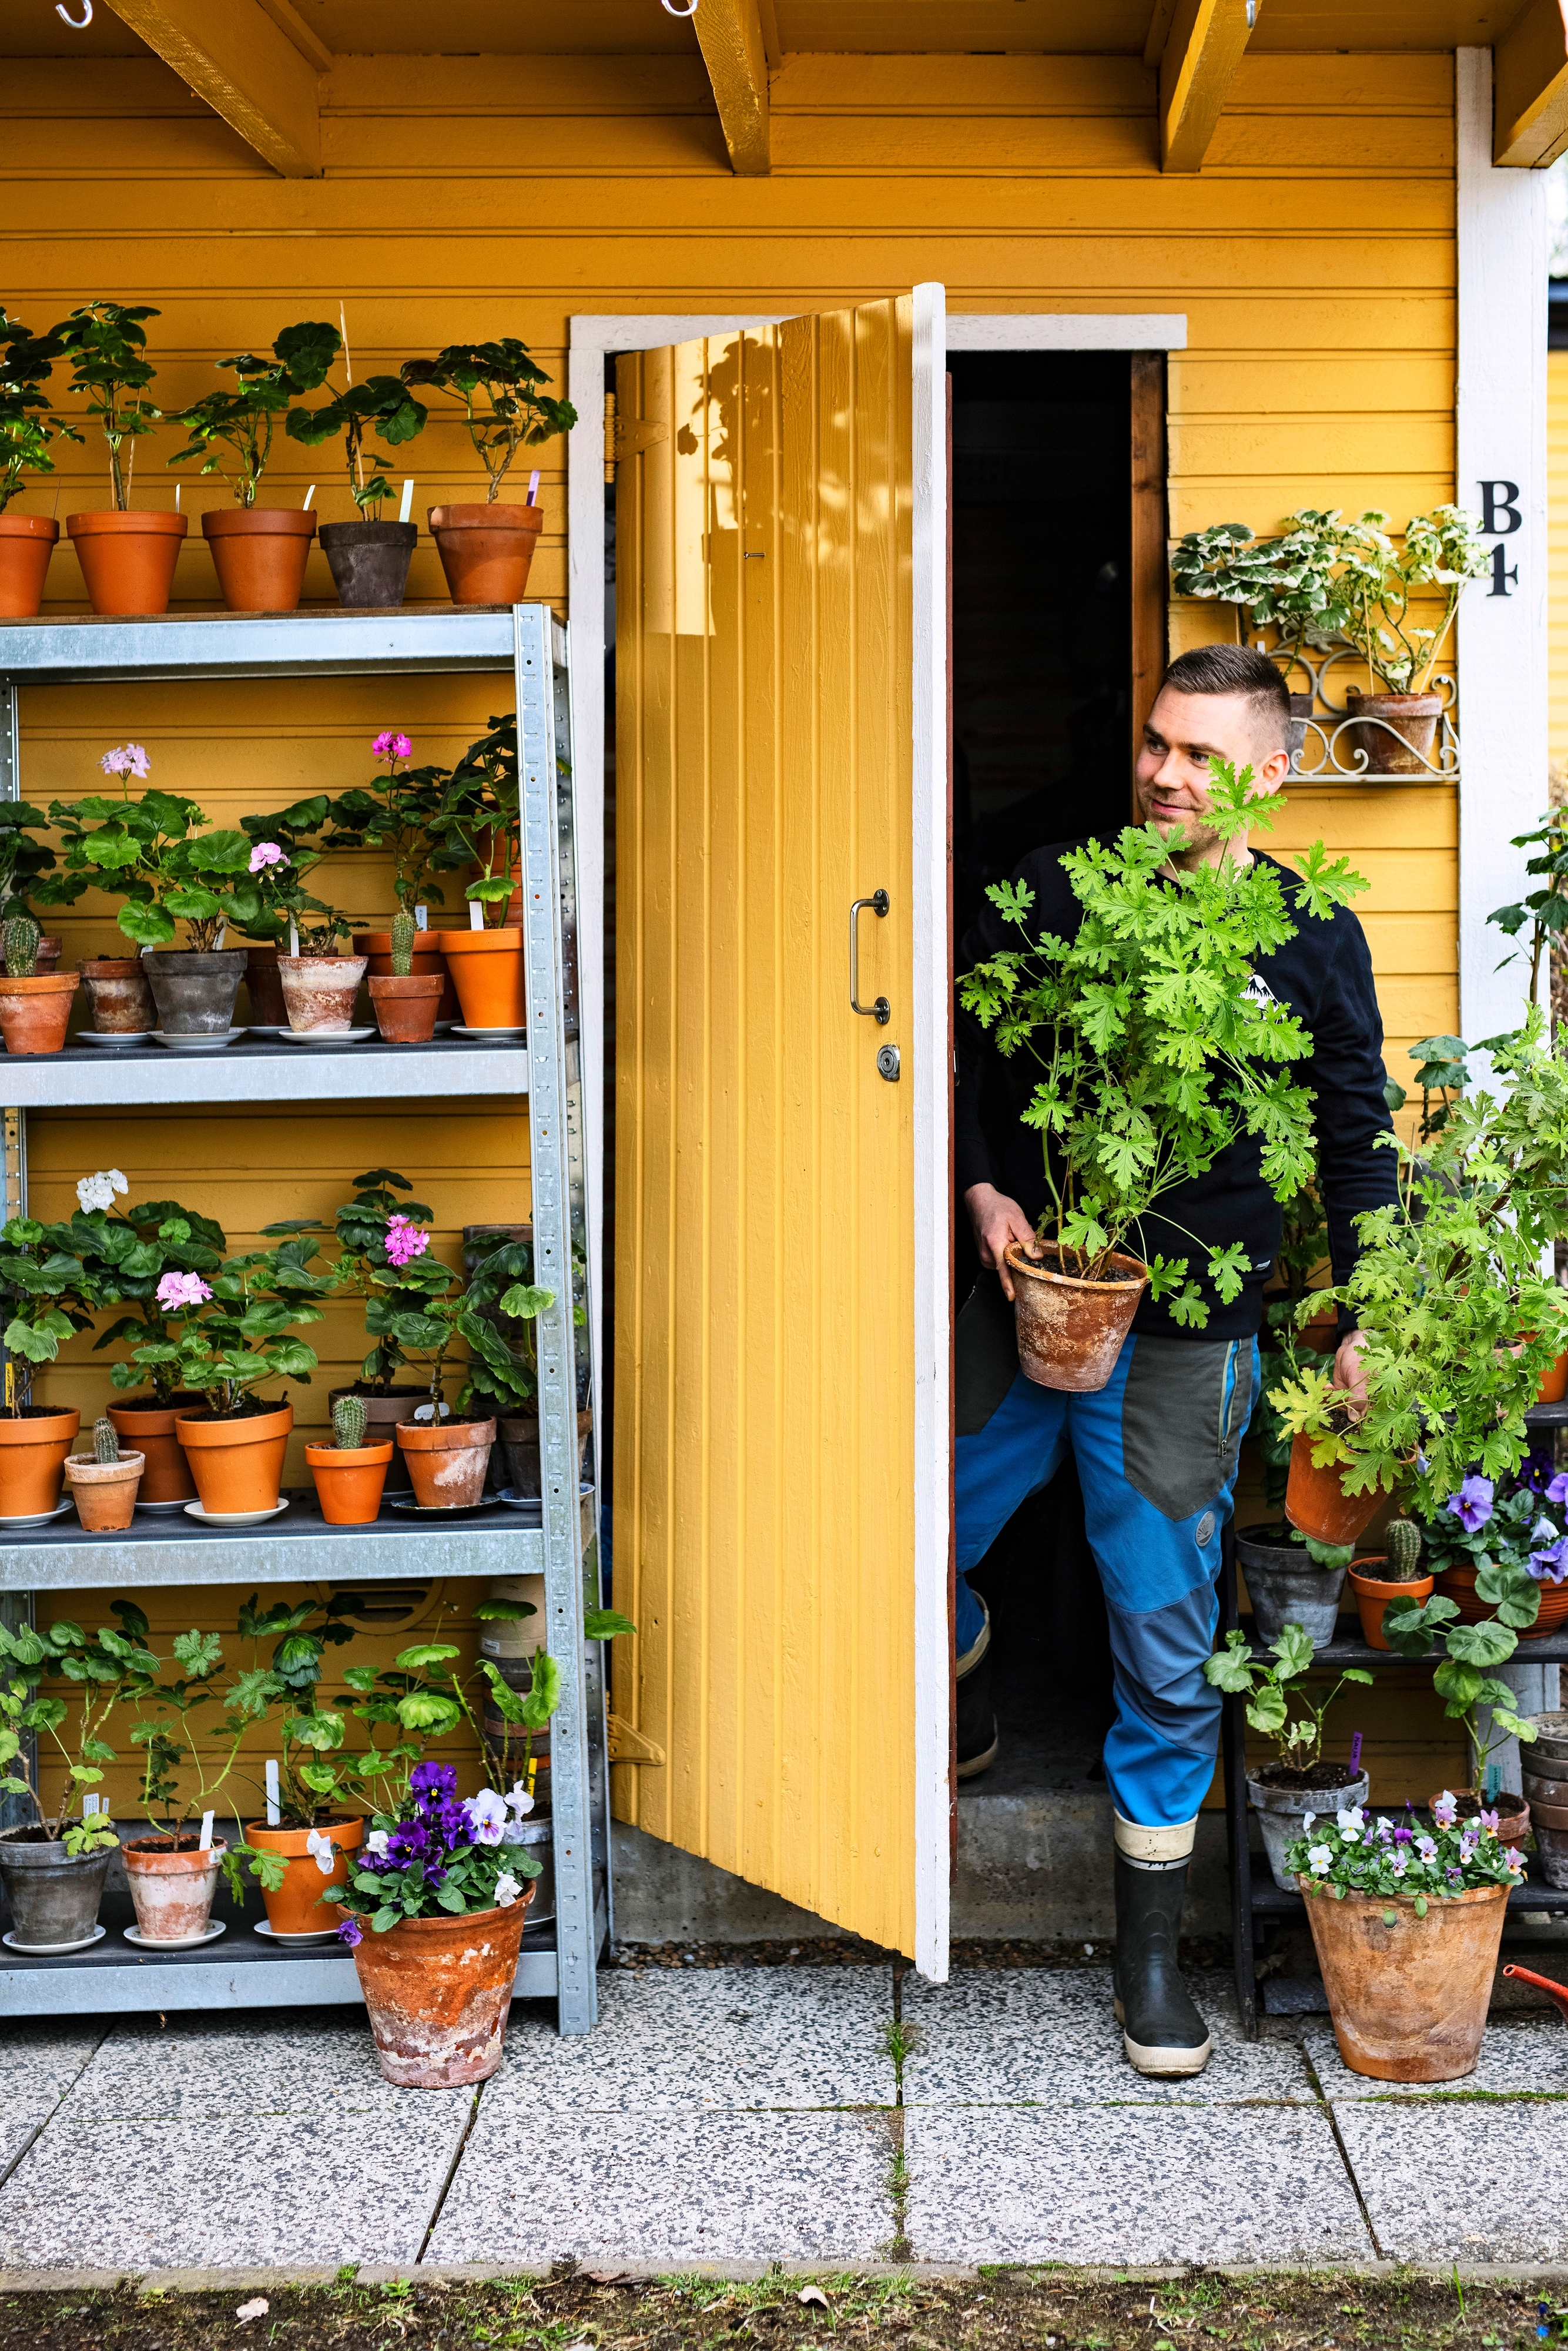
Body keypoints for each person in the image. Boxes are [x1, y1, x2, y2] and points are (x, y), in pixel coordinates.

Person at [953, 642, 1398, 2077]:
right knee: (899, 1538)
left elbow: (1352, 1138)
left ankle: (1149, 1952)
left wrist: (1369, 1311)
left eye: (1196, 754)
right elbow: (980, 1063)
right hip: (1026, 1296)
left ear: (1267, 774)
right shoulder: (1069, 891)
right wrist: (981, 1185)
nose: (1159, 773)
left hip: (1189, 1334)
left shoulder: (1310, 935)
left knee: (1159, 1638)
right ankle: (957, 1652)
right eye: (1153, 742)